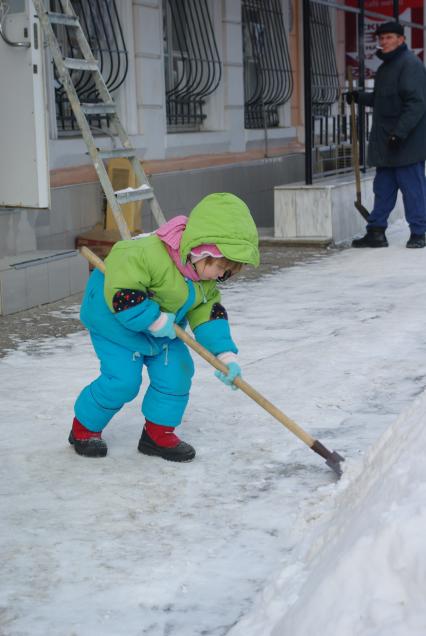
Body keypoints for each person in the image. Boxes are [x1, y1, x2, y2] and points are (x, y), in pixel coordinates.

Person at [69, 193, 259, 461]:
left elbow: (208, 313)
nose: (220, 275)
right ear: (201, 251)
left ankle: (157, 435)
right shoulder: (142, 254)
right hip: (116, 326)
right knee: (123, 381)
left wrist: (225, 356)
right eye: (219, 267)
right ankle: (84, 428)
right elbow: (123, 294)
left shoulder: (203, 278)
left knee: (176, 373)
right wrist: (154, 320)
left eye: (227, 271)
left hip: (164, 331)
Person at [347, 21, 426, 248]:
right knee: (383, 189)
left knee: (413, 190)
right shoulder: (386, 68)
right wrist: (358, 97)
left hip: (406, 144)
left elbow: (417, 104)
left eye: (389, 37)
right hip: (387, 143)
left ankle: (419, 232)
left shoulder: (410, 65)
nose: (384, 41)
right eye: (381, 38)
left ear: (401, 39)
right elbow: (383, 99)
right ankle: (376, 231)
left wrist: (399, 134)